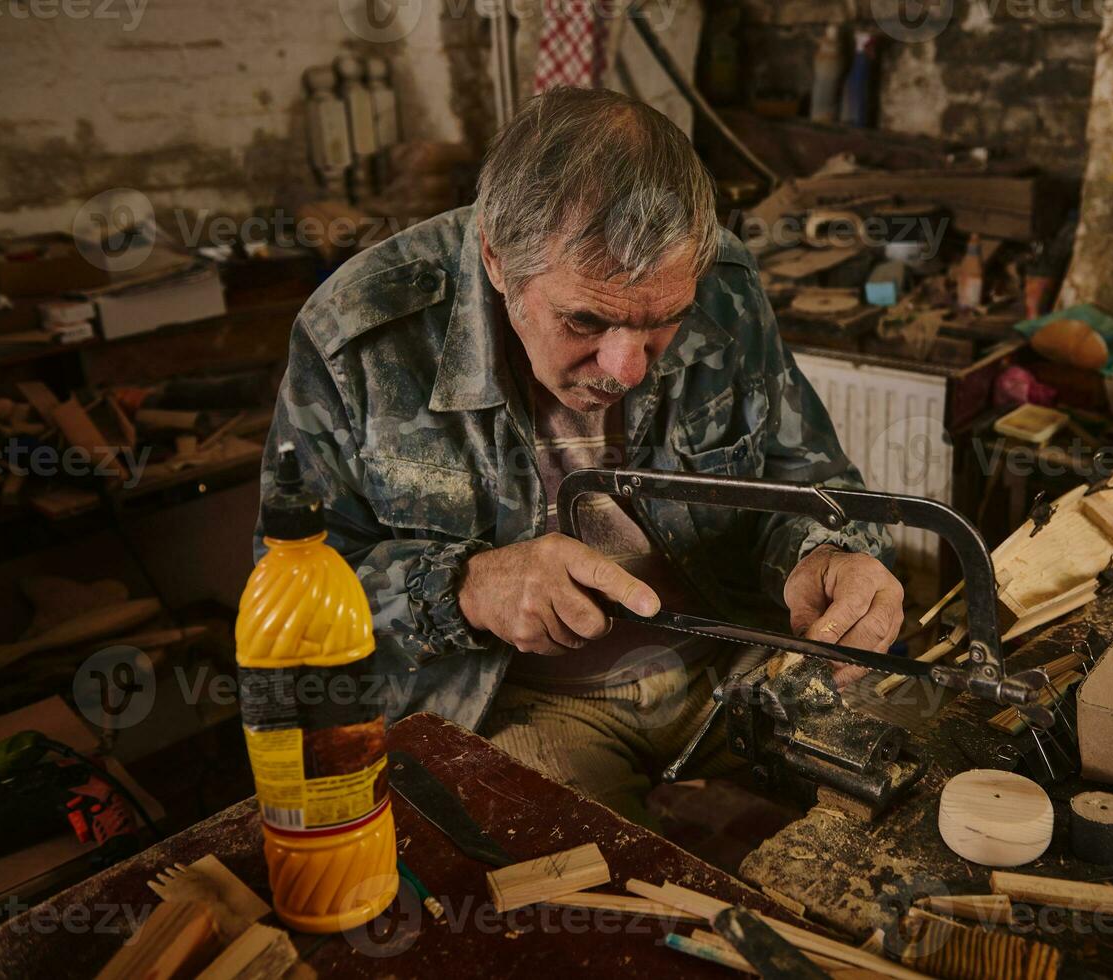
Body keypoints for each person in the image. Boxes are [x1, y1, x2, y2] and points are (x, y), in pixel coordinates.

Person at [258, 87, 905, 826]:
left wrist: (825, 553)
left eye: (664, 321)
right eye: (584, 319)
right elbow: (290, 608)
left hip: (739, 664)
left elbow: (813, 482)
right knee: (589, 904)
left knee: (908, 815)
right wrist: (464, 588)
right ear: (498, 262)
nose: (626, 368)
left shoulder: (721, 281)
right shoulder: (361, 335)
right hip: (529, 704)